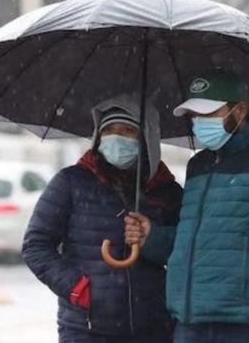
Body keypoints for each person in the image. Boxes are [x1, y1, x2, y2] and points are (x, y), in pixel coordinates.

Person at [125, 72, 249, 343]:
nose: (199, 123)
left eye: (208, 114)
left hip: (246, 326)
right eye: (194, 115)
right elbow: (198, 244)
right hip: (189, 325)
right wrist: (152, 238)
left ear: (240, 110)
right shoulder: (199, 165)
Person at [23, 96, 183, 343]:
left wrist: (151, 239)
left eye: (128, 130)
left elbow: (185, 251)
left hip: (154, 327)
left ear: (146, 140)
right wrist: (77, 288)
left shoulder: (167, 191)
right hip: (87, 329)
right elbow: (36, 246)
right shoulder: (71, 182)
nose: (116, 138)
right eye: (109, 130)